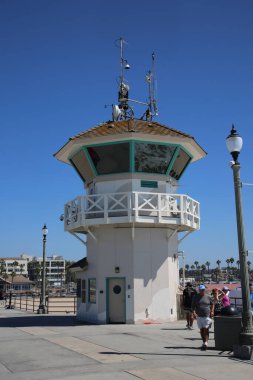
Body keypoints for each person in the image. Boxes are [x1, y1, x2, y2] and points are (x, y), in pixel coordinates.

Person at [191, 284, 214, 351]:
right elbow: (192, 306)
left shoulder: (208, 296)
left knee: (206, 329)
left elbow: (212, 303)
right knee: (201, 330)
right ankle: (204, 342)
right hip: (199, 316)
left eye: (203, 290)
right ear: (199, 290)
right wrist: (194, 313)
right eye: (201, 290)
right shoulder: (195, 297)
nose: (203, 291)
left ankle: (206, 343)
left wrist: (212, 311)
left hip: (207, 316)